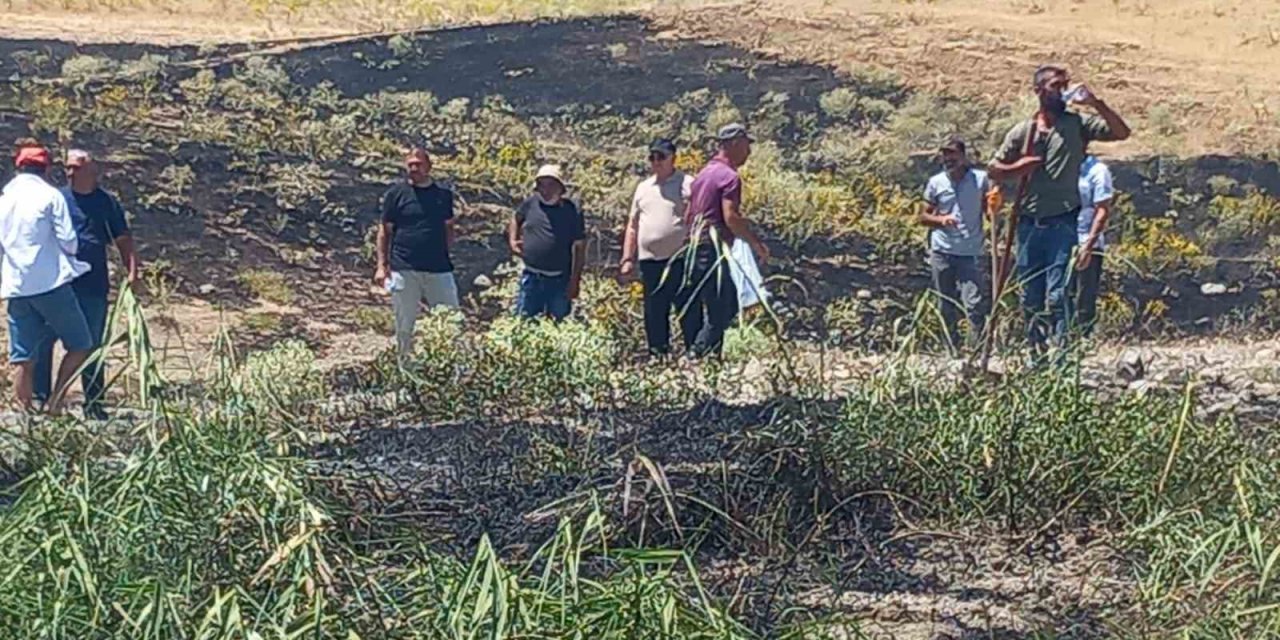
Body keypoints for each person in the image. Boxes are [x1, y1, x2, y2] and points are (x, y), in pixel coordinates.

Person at [989, 65, 1130, 358]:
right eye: (1056, 85)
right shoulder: (1023, 132)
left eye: (1065, 85)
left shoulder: (1076, 124)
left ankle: (1062, 355)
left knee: (1058, 293)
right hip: (1028, 224)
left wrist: (1096, 103)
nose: (1063, 91)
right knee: (1030, 295)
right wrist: (1019, 168)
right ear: (1038, 91)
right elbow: (995, 169)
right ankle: (1036, 354)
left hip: (1063, 222)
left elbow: (1121, 132)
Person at [30, 149, 141, 420]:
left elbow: (123, 239)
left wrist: (133, 272)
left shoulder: (106, 203)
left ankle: (94, 403)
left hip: (93, 286)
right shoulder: (57, 199)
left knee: (92, 344)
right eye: (67, 167)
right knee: (44, 340)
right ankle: (42, 399)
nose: (70, 172)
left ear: (93, 170)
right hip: (58, 284)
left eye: (76, 167)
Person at [0, 139, 95, 414]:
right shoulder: (51, 196)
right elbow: (69, 241)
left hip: (17, 286)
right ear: (46, 169)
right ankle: (55, 402)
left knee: (23, 356)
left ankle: (24, 414)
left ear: (18, 168)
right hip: (50, 284)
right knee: (81, 343)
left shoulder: (4, 200)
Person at [682, 123, 768, 357]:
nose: (749, 152)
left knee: (716, 304)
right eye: (746, 145)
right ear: (735, 143)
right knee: (724, 307)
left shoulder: (703, 174)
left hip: (694, 248)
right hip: (712, 249)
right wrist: (756, 244)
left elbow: (689, 213)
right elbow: (730, 217)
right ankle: (697, 354)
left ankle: (711, 359)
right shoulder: (729, 177)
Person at [374, 147, 459, 360]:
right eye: (410, 164)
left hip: (439, 268)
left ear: (429, 166)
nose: (414, 168)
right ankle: (405, 367)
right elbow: (384, 231)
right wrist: (382, 266)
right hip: (404, 268)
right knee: (404, 323)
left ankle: (450, 366)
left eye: (418, 164)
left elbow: (449, 228)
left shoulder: (443, 195)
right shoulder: (396, 195)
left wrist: (443, 251)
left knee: (450, 319)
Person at [619, 139, 700, 355]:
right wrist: (627, 258)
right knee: (654, 312)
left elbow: (699, 217)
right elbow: (633, 225)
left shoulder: (688, 184)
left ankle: (696, 355)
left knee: (688, 308)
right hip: (650, 262)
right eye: (652, 157)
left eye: (661, 157)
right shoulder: (643, 188)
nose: (656, 162)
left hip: (680, 259)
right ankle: (658, 356)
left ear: (673, 158)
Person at [920, 137, 990, 353]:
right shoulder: (936, 182)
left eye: (952, 154)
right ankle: (951, 349)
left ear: (963, 156)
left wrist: (995, 207)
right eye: (945, 154)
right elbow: (923, 216)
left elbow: (989, 209)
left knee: (974, 303)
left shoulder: (981, 179)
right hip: (942, 251)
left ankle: (975, 350)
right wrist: (941, 220)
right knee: (945, 303)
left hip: (971, 252)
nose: (948, 159)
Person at [509, 164, 586, 321]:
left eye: (551, 185)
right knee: (524, 322)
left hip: (559, 280)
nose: (546, 190)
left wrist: (575, 281)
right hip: (531, 276)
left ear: (560, 188)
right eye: (541, 185)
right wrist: (513, 240)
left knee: (558, 323)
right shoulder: (530, 204)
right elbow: (515, 219)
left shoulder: (571, 211)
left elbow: (580, 247)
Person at [1070, 145, 1114, 336]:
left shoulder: (1098, 171)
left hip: (1086, 242)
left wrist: (1088, 246)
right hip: (1062, 239)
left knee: (1084, 295)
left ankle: (1083, 338)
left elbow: (1102, 210)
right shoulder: (1059, 168)